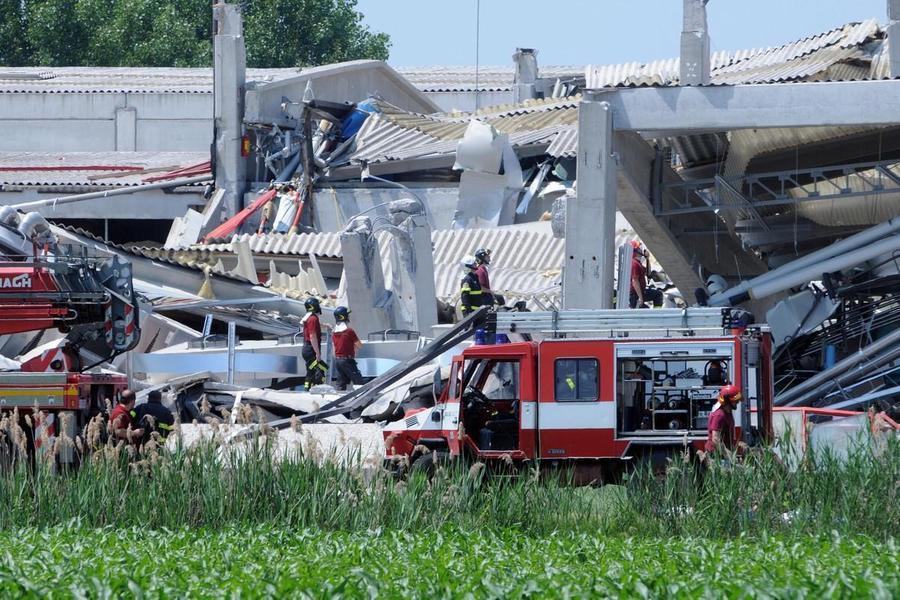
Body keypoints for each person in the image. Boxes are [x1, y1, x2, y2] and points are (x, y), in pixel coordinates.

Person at [331, 306, 365, 391]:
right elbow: (359, 345)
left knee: (341, 384)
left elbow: (334, 348)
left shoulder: (334, 331)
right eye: (347, 315)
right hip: (347, 361)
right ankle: (362, 402)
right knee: (358, 382)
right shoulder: (349, 331)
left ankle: (338, 403)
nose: (349, 317)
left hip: (338, 361)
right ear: (344, 317)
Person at [704, 384, 742, 456]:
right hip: (717, 455)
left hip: (724, 452)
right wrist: (727, 455)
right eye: (735, 400)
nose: (737, 402)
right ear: (728, 400)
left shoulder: (728, 412)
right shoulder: (719, 415)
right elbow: (715, 439)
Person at [301, 297, 328, 390]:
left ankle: (308, 389)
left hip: (307, 349)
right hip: (310, 350)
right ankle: (316, 389)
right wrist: (317, 353)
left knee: (311, 371)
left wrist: (325, 325)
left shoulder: (309, 318)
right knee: (322, 369)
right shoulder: (313, 319)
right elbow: (312, 336)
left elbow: (314, 325)